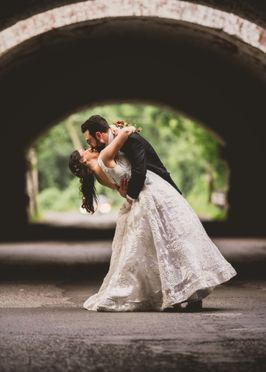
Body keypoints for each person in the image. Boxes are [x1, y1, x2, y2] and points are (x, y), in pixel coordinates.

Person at [69, 116, 237, 312]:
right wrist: (124, 128)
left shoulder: (101, 166)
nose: (90, 147)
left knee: (161, 247)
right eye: (87, 148)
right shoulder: (105, 155)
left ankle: (179, 292)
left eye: (89, 143)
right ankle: (181, 292)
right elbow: (126, 134)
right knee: (169, 244)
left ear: (98, 134)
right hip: (148, 196)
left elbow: (118, 187)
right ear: (83, 160)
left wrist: (125, 192)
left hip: (145, 196)